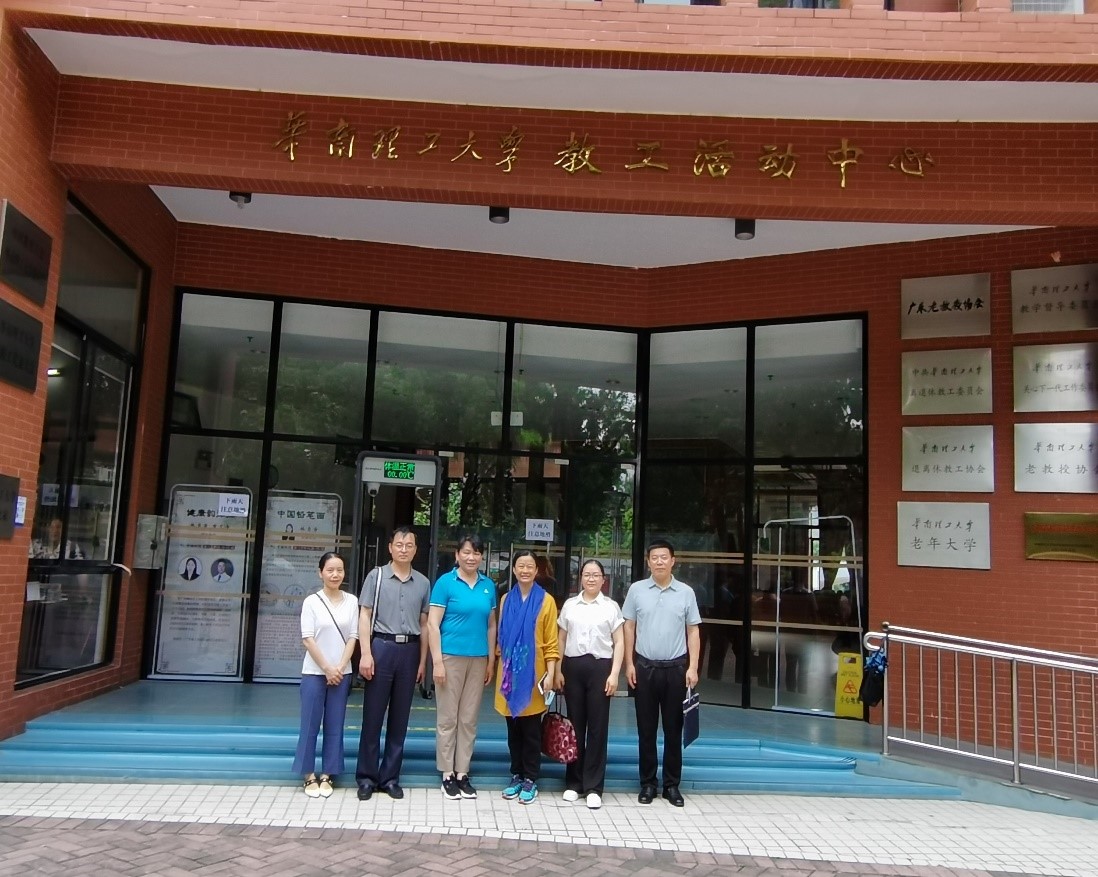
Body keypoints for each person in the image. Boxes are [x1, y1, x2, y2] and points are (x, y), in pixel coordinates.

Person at [622, 538, 701, 808]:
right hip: (644, 668)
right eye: (654, 557)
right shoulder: (636, 590)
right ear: (648, 562)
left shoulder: (686, 593)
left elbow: (693, 631)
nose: (659, 562)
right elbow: (628, 627)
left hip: (676, 669)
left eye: (664, 557)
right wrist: (629, 664)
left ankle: (671, 785)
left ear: (673, 561)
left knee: (673, 730)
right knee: (645, 729)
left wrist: (693, 667)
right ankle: (647, 783)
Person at [354, 526, 431, 801]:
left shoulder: (423, 583)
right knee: (372, 716)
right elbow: (364, 616)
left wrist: (423, 662)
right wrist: (365, 653)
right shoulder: (376, 577)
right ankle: (366, 778)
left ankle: (389, 778)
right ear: (390, 547)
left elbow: (424, 624)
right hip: (381, 648)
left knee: (400, 719)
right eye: (399, 544)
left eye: (409, 545)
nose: (404, 549)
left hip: (410, 650)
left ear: (415, 550)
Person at [428, 534, 497, 800]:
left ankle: (462, 772)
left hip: (478, 658)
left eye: (476, 553)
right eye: (466, 552)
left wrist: (491, 660)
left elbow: (491, 625)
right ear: (457, 555)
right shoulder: (445, 583)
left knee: (468, 719)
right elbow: (433, 624)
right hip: (450, 657)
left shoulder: (488, 585)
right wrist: (437, 662)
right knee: (448, 718)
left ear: (482, 556)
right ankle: (447, 773)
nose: (471, 557)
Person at [555, 558, 623, 810]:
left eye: (596, 575)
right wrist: (558, 669)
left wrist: (614, 674)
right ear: (580, 578)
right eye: (587, 574)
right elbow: (561, 639)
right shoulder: (570, 605)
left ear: (603, 580)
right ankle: (574, 783)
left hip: (600, 669)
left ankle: (594, 786)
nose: (591, 578)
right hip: (573, 668)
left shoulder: (611, 607)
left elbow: (620, 642)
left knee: (597, 727)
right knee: (575, 726)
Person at [291, 551, 359, 799]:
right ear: (320, 573)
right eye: (330, 570)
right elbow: (307, 638)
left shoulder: (352, 601)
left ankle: (329, 773)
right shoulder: (311, 602)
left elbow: (353, 636)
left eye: (339, 570)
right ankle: (308, 774)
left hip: (342, 673)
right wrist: (327, 668)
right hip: (314, 672)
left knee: (335, 725)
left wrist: (339, 667)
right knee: (309, 725)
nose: (335, 574)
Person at [495, 550, 560, 805]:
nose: (524, 570)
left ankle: (531, 778)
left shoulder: (547, 601)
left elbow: (551, 642)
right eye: (520, 566)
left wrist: (551, 674)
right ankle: (516, 774)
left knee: (531, 731)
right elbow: (501, 637)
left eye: (529, 566)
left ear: (536, 571)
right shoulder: (505, 599)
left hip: (534, 675)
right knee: (513, 730)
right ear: (513, 569)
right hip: (509, 675)